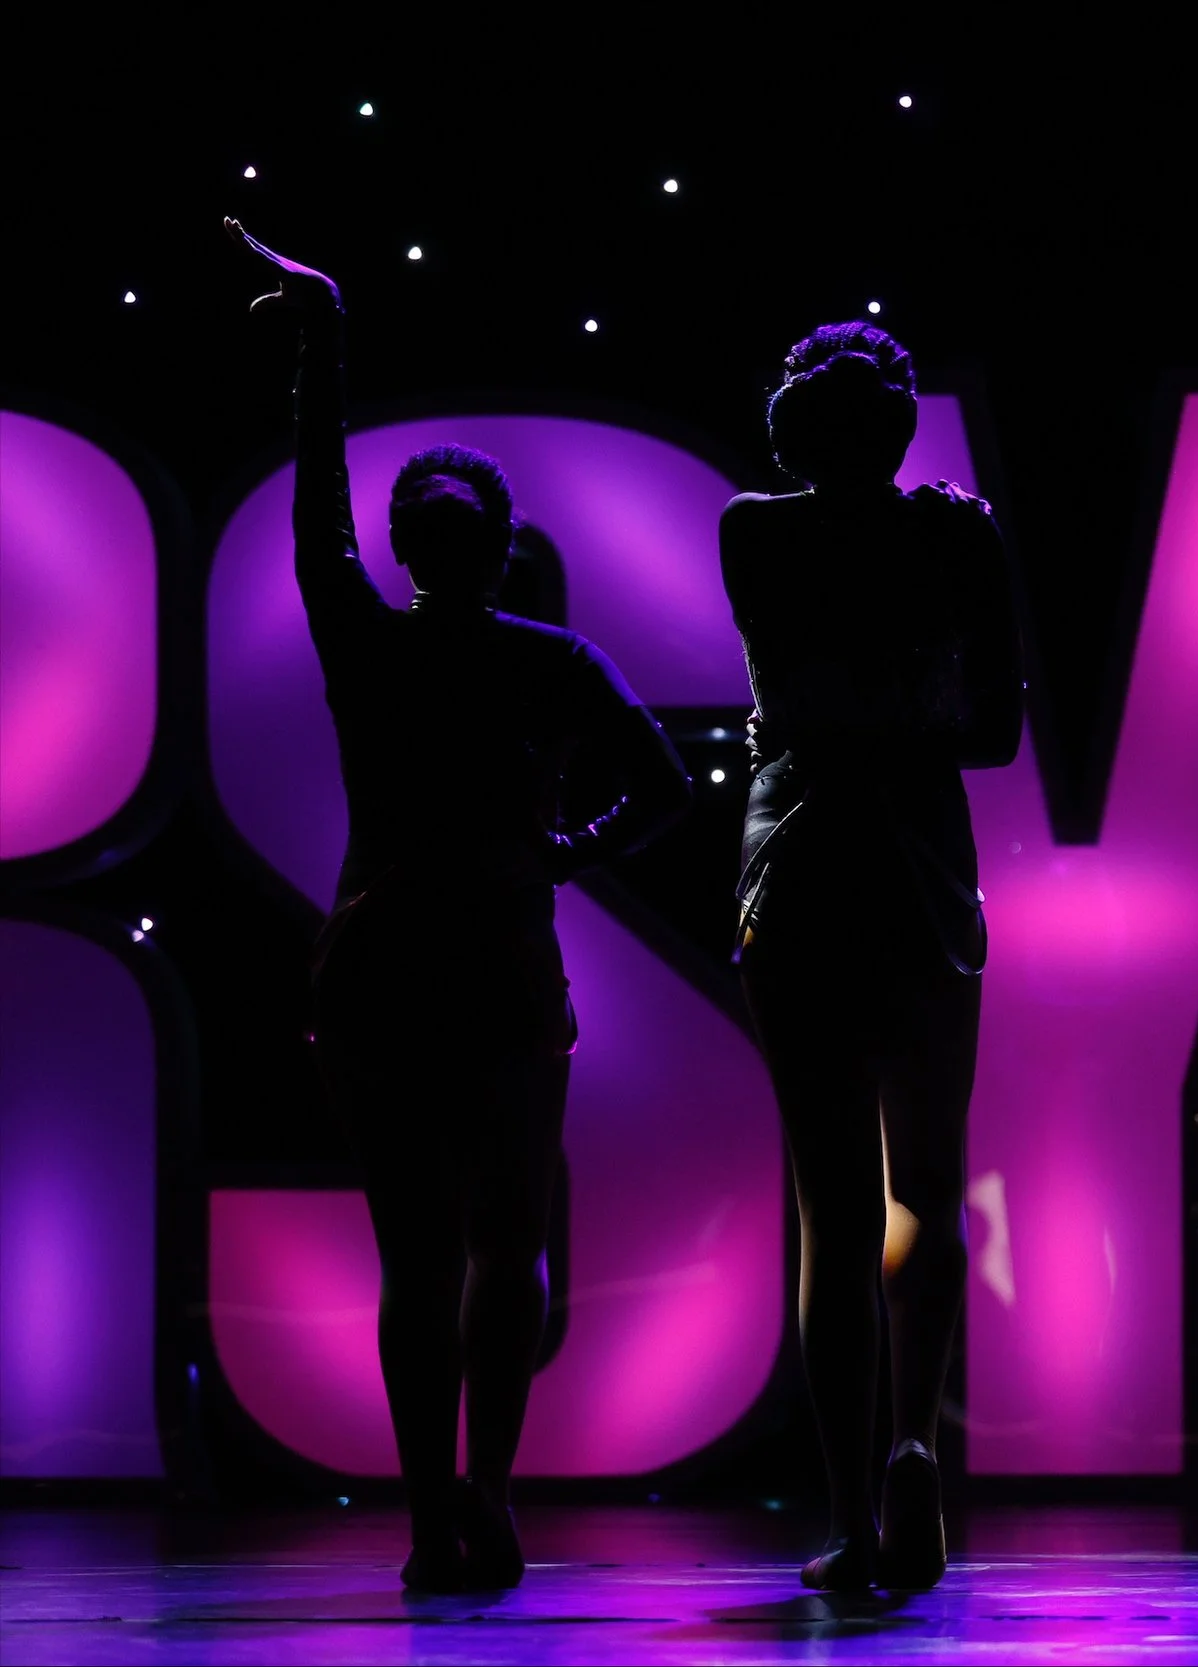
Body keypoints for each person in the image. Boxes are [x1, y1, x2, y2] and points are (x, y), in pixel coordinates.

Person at [227, 220, 693, 1592]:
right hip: (485, 963)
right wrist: (564, 851)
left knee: (424, 1255)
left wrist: (325, 337)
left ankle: (444, 1502)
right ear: (499, 544)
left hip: (386, 968)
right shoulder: (548, 660)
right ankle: (478, 1490)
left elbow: (318, 507)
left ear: (426, 540)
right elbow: (661, 789)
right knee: (500, 1243)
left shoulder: (369, 637)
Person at [721, 322, 1023, 1593]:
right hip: (918, 874)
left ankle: (852, 1504)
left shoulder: (758, 529)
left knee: (832, 1210)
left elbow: (800, 697)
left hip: (801, 871)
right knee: (927, 1190)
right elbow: (994, 731)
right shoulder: (953, 536)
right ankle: (912, 1448)